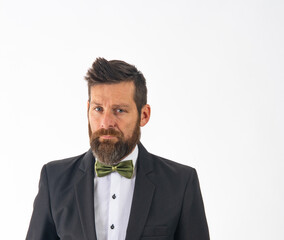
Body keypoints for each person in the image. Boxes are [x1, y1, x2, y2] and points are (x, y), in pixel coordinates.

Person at [26, 58, 210, 240]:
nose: (106, 123)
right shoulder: (54, 179)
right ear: (88, 110)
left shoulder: (181, 183)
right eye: (98, 109)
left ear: (144, 115)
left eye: (119, 110)